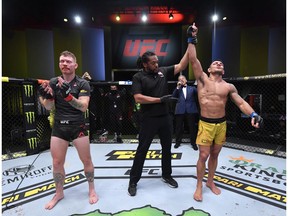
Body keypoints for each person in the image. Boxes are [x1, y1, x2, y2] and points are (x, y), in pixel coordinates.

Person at [187, 23, 263, 201]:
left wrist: (254, 114)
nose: (218, 63)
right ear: (209, 69)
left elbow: (241, 103)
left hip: (220, 125)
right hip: (205, 123)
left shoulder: (229, 86)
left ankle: (210, 182)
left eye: (221, 63)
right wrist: (192, 38)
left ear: (223, 70)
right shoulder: (202, 80)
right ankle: (199, 185)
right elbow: (192, 59)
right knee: (203, 155)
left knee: (214, 154)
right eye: (215, 62)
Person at [38, 50, 98, 209]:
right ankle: (59, 193)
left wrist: (68, 96)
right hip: (59, 127)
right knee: (57, 162)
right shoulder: (53, 82)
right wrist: (44, 97)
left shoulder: (83, 83)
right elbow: (49, 106)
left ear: (75, 65)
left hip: (77, 126)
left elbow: (83, 107)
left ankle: (92, 189)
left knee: (86, 160)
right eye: (62, 61)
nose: (64, 64)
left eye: (68, 61)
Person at [128, 49, 190, 196]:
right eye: (153, 62)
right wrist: (160, 100)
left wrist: (191, 41)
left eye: (157, 61)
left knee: (167, 148)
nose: (156, 64)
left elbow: (182, 65)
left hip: (165, 117)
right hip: (148, 119)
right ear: (145, 64)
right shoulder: (138, 77)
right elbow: (138, 98)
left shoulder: (163, 71)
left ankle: (166, 175)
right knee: (142, 150)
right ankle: (133, 181)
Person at [172, 75, 198, 150]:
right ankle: (177, 142)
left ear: (186, 80)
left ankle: (193, 143)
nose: (181, 80)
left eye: (183, 78)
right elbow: (173, 96)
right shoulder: (178, 89)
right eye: (179, 79)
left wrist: (198, 84)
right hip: (180, 110)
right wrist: (177, 87)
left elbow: (198, 94)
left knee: (192, 127)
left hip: (191, 110)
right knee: (178, 127)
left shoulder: (192, 88)